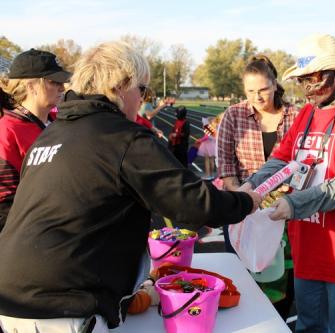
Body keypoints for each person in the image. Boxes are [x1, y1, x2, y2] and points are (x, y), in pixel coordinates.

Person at [0, 41, 261, 333]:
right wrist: (246, 201)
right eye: (143, 91)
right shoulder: (122, 137)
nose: (142, 100)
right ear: (122, 86)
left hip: (12, 295)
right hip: (62, 306)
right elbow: (194, 204)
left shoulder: (51, 134)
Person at [240, 34, 335, 333]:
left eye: (315, 77)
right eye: (303, 79)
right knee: (308, 327)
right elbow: (282, 158)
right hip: (307, 247)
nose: (308, 87)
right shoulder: (308, 112)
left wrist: (293, 204)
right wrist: (253, 186)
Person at [217, 55, 298, 318]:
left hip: (283, 212)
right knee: (242, 278)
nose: (257, 97)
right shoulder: (233, 115)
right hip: (243, 210)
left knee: (282, 284)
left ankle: (279, 322)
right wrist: (243, 199)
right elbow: (226, 167)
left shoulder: (296, 116)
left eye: (263, 89)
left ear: (275, 84)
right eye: (251, 91)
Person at [0, 49, 71, 231]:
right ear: (31, 86)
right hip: (31, 236)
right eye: (54, 81)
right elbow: (4, 202)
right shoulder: (7, 129)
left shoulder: (59, 123)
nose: (62, 88)